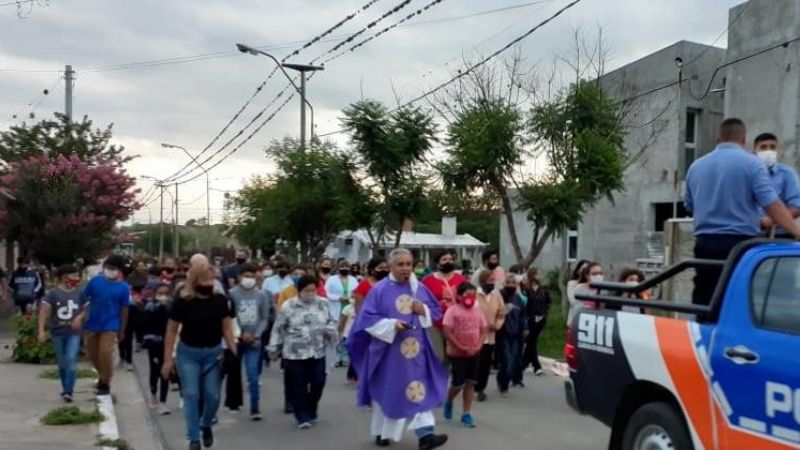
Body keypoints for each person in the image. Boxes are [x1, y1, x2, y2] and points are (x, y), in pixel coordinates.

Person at [685, 118, 800, 305]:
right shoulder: (752, 165)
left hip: (705, 242)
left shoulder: (696, 167)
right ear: (744, 141)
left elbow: (690, 206)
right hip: (740, 244)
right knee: (737, 300)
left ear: (718, 138)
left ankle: (703, 330)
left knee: (705, 299)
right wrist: (796, 232)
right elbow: (773, 205)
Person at [347, 248, 449, 450]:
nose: (405, 268)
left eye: (408, 264)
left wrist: (424, 311)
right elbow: (367, 319)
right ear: (391, 266)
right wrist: (391, 325)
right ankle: (381, 432)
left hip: (416, 352)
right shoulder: (380, 290)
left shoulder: (418, 288)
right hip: (389, 352)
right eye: (400, 264)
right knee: (389, 392)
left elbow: (435, 312)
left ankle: (426, 436)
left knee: (419, 390)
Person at [162, 262, 237, 450]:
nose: (209, 283)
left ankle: (206, 423)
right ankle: (194, 438)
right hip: (188, 354)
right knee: (191, 394)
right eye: (205, 279)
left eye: (212, 279)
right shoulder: (183, 301)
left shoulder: (220, 300)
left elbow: (227, 327)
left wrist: (233, 351)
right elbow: (171, 330)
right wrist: (167, 360)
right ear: (194, 281)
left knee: (213, 396)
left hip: (213, 354)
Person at [268, 274, 338, 429]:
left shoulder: (323, 304)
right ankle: (302, 416)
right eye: (307, 290)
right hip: (294, 354)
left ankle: (311, 409)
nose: (310, 293)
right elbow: (278, 328)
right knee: (298, 386)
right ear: (299, 291)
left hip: (317, 351)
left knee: (318, 383)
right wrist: (274, 348)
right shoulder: (289, 306)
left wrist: (330, 331)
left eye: (313, 290)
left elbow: (332, 321)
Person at [82, 254, 130, 396]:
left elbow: (124, 310)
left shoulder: (123, 288)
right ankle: (103, 376)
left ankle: (104, 382)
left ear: (119, 270)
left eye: (114, 268)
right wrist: (81, 317)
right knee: (92, 355)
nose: (111, 270)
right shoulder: (95, 282)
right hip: (92, 323)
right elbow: (84, 300)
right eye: (108, 267)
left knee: (105, 353)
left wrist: (122, 330)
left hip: (111, 324)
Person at [37, 264, 86, 403]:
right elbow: (43, 312)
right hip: (57, 332)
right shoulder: (53, 293)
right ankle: (65, 388)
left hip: (74, 333)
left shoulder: (80, 293)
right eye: (74, 276)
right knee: (62, 362)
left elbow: (87, 308)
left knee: (71, 359)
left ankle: (69, 391)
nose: (76, 279)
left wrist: (79, 317)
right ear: (64, 277)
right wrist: (41, 330)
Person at [442, 282, 487, 428]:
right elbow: (447, 331)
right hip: (457, 353)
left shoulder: (477, 312)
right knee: (458, 383)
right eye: (467, 295)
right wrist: (460, 346)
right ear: (459, 296)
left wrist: (478, 346)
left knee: (470, 383)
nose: (471, 298)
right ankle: (449, 401)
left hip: (474, 352)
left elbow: (483, 329)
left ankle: (466, 414)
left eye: (473, 295)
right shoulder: (452, 311)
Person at [228, 263, 270, 421]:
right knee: (232, 373)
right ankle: (233, 402)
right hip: (236, 339)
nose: (249, 279)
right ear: (239, 277)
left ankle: (255, 407)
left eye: (252, 277)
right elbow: (229, 317)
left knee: (253, 374)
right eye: (246, 276)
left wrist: (257, 335)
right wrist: (239, 334)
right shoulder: (231, 294)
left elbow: (264, 317)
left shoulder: (261, 295)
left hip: (254, 342)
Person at [422, 250, 468, 362]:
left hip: (456, 324)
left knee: (454, 356)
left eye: (451, 259)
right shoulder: (427, 281)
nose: (448, 262)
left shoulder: (461, 279)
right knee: (438, 357)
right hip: (436, 323)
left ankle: (451, 378)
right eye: (445, 260)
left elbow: (468, 298)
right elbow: (422, 300)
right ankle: (438, 378)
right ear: (437, 263)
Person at [753, 133, 800, 238]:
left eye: (772, 147)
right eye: (763, 147)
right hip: (751, 234)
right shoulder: (748, 173)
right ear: (754, 151)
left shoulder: (787, 174)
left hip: (780, 235)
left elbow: (797, 207)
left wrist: (771, 221)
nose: (768, 151)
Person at [139, 283, 172, 415]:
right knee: (155, 370)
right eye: (160, 293)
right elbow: (145, 325)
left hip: (168, 343)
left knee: (166, 372)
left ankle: (163, 402)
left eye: (166, 293)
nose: (163, 296)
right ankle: (153, 395)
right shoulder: (150, 307)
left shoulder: (173, 307)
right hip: (154, 343)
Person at [474, 269, 505, 402]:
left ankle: (480, 389)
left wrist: (497, 325)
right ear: (482, 281)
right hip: (475, 336)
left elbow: (501, 313)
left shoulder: (496, 295)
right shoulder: (475, 294)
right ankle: (471, 386)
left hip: (490, 336)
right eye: (490, 281)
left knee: (486, 364)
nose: (492, 283)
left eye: (493, 280)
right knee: (475, 363)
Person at [497, 274, 527, 393]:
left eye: (513, 283)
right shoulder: (499, 296)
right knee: (507, 360)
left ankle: (506, 379)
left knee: (514, 359)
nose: (510, 285)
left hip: (515, 333)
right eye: (508, 282)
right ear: (504, 284)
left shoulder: (518, 298)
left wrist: (525, 328)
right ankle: (503, 383)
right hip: (503, 332)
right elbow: (495, 311)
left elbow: (523, 315)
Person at [521, 268, 550, 377]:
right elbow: (525, 304)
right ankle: (536, 366)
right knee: (531, 342)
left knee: (532, 342)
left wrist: (545, 313)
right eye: (537, 274)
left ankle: (524, 363)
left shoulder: (543, 290)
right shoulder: (526, 289)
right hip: (530, 318)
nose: (539, 276)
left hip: (541, 319)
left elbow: (548, 303)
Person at [565, 260, 590, 326]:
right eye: (583, 269)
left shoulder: (592, 285)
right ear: (578, 271)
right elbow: (573, 301)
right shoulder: (572, 284)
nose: (585, 272)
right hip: (575, 319)